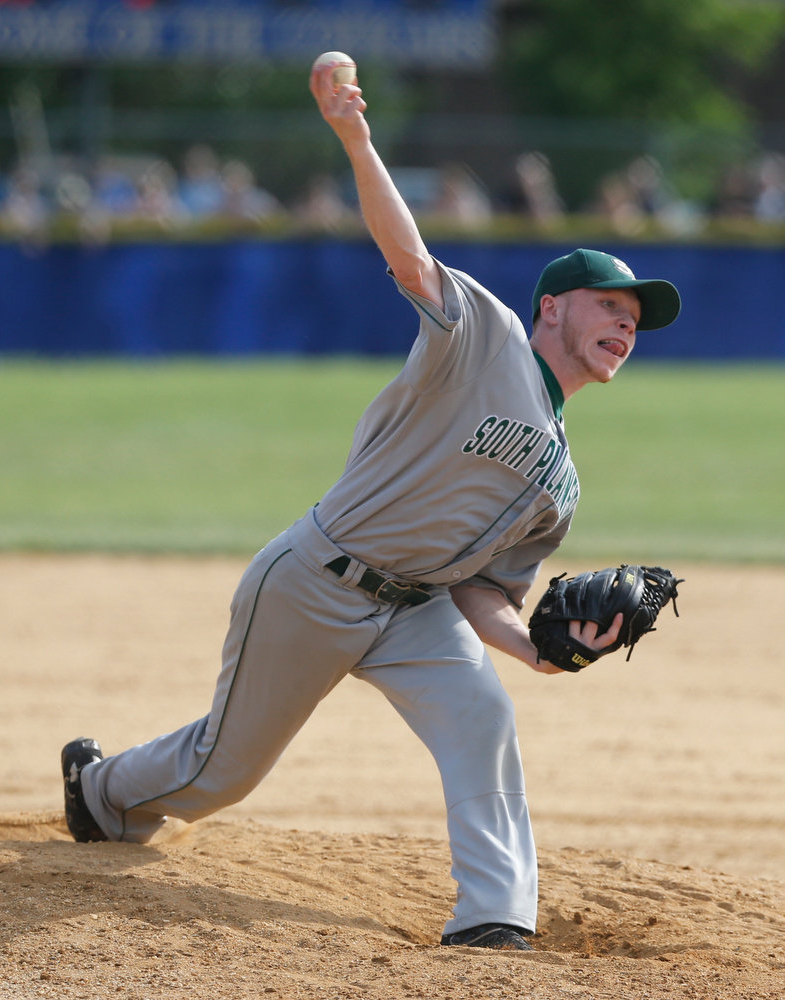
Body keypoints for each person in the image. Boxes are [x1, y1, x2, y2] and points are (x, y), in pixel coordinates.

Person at [62, 61, 681, 952]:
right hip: (315, 579)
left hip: (419, 610)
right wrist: (355, 136)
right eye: (609, 308)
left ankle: (495, 918)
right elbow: (407, 255)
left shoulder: (562, 484)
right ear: (553, 309)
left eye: (635, 321)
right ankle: (102, 791)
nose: (625, 327)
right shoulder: (486, 336)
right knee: (222, 772)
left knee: (483, 717)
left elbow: (486, 595)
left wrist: (547, 653)